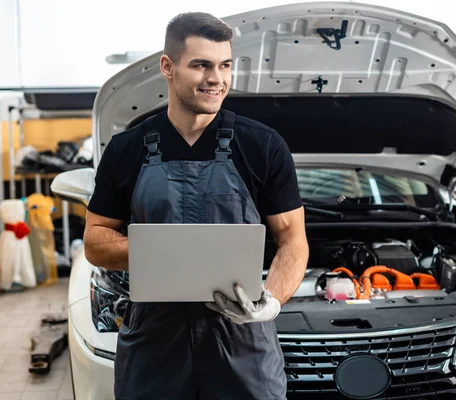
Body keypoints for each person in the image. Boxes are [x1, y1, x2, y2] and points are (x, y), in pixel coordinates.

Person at [83, 12, 309, 400]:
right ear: (168, 68)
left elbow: (292, 240)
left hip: (242, 340)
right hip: (155, 341)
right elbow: (95, 241)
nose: (216, 79)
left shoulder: (263, 146)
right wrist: (165, 254)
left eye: (224, 65)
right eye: (201, 65)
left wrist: (271, 301)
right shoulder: (127, 149)